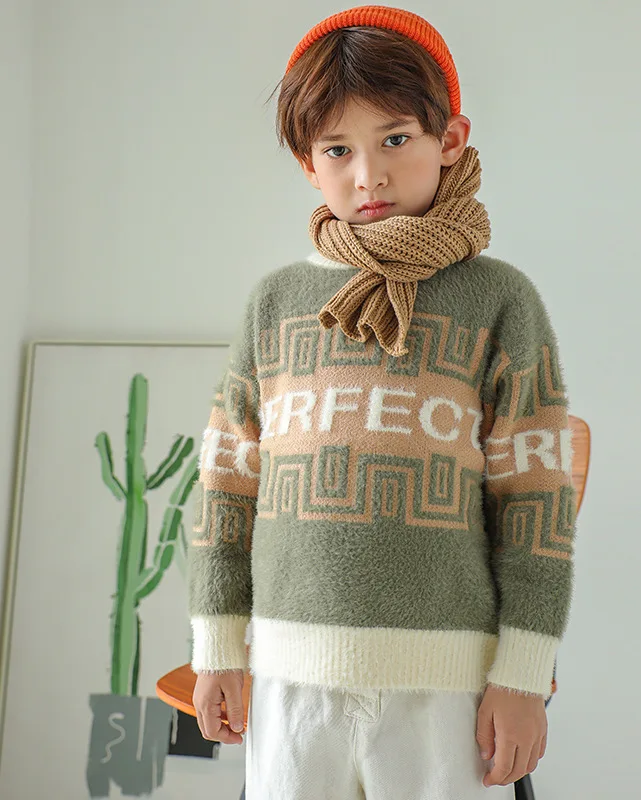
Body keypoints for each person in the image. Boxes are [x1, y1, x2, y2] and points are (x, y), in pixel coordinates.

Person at [187, 6, 577, 798]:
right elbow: (227, 484)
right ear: (309, 163)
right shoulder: (276, 303)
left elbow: (537, 502)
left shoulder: (498, 300)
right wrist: (218, 648)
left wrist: (523, 676)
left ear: (451, 139)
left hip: (445, 684)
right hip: (289, 680)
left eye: (395, 139)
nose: (368, 175)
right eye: (338, 149)